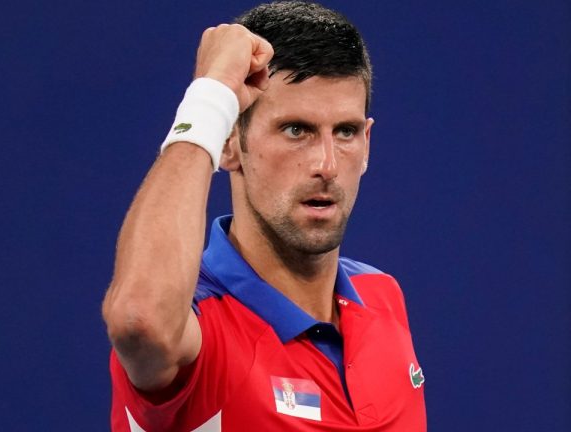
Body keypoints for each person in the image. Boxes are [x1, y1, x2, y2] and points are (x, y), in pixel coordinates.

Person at [102, 1, 426, 430]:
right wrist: (210, 96)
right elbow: (139, 320)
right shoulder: (197, 323)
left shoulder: (381, 295)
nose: (326, 165)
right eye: (296, 130)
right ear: (229, 143)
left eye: (345, 132)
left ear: (367, 143)